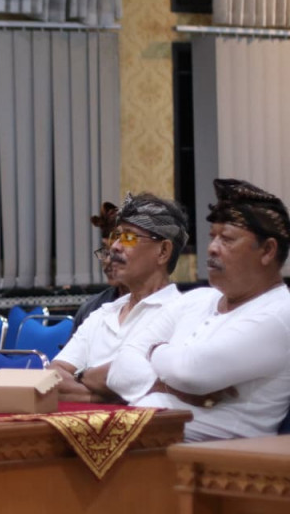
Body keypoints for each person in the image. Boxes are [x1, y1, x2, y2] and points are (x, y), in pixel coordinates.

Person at [106, 179, 290, 441]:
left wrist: (154, 350)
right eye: (212, 236)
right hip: (151, 445)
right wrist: (167, 387)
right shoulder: (197, 299)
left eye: (226, 239)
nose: (212, 247)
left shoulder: (279, 313)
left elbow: (191, 373)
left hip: (224, 463)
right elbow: (120, 369)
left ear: (267, 251)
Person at [51, 194, 188, 403]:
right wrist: (106, 397)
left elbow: (148, 381)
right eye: (116, 236)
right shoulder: (102, 314)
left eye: (129, 237)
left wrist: (81, 376)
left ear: (163, 251)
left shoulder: (181, 313)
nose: (115, 247)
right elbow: (52, 378)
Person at [70, 201, 128, 333]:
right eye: (105, 251)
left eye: (117, 252)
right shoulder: (90, 310)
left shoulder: (166, 311)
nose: (107, 260)